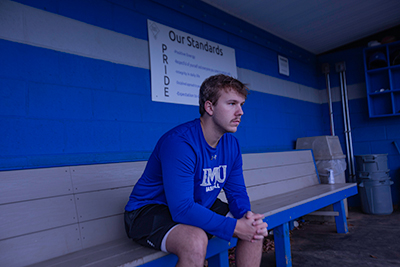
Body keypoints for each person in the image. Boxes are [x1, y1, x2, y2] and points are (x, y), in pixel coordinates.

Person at [124, 74, 268, 267]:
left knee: (255, 228)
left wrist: (246, 216)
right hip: (149, 211)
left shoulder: (231, 144)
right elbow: (182, 209)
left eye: (241, 104)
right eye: (232, 104)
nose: (240, 112)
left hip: (196, 203)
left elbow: (237, 192)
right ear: (209, 107)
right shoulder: (180, 143)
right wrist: (235, 227)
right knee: (195, 241)